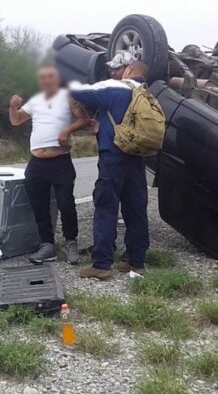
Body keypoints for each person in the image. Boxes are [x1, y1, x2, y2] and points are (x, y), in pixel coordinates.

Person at [69, 61, 151, 279]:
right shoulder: (145, 94)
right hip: (136, 157)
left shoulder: (117, 87)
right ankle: (137, 262)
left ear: (130, 71)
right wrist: (102, 128)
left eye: (119, 68)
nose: (114, 72)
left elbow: (79, 91)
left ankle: (102, 264)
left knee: (106, 207)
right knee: (136, 210)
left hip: (113, 158)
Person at [9, 66, 90, 264]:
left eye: (50, 77)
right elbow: (17, 120)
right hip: (36, 162)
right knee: (39, 205)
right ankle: (47, 245)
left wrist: (67, 131)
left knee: (66, 203)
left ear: (57, 79)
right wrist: (12, 107)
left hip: (60, 161)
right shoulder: (36, 100)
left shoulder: (67, 96)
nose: (46, 80)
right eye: (42, 77)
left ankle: (71, 243)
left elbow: (84, 119)